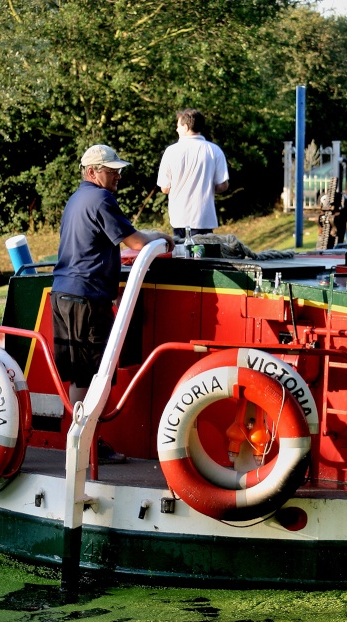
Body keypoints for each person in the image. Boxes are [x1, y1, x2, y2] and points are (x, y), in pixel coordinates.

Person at [51, 144, 175, 461]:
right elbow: (133, 241)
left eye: (118, 169)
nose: (118, 175)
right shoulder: (101, 199)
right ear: (93, 172)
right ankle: (87, 445)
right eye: (112, 170)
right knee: (94, 375)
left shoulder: (76, 200)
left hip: (64, 294)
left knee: (79, 376)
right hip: (87, 298)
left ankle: (79, 442)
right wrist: (162, 237)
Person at [157, 108, 230, 241]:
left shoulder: (171, 151)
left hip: (179, 217)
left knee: (182, 258)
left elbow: (165, 188)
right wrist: (205, 186)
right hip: (204, 217)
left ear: (185, 127)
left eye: (178, 126)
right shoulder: (214, 150)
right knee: (205, 259)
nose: (176, 129)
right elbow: (223, 185)